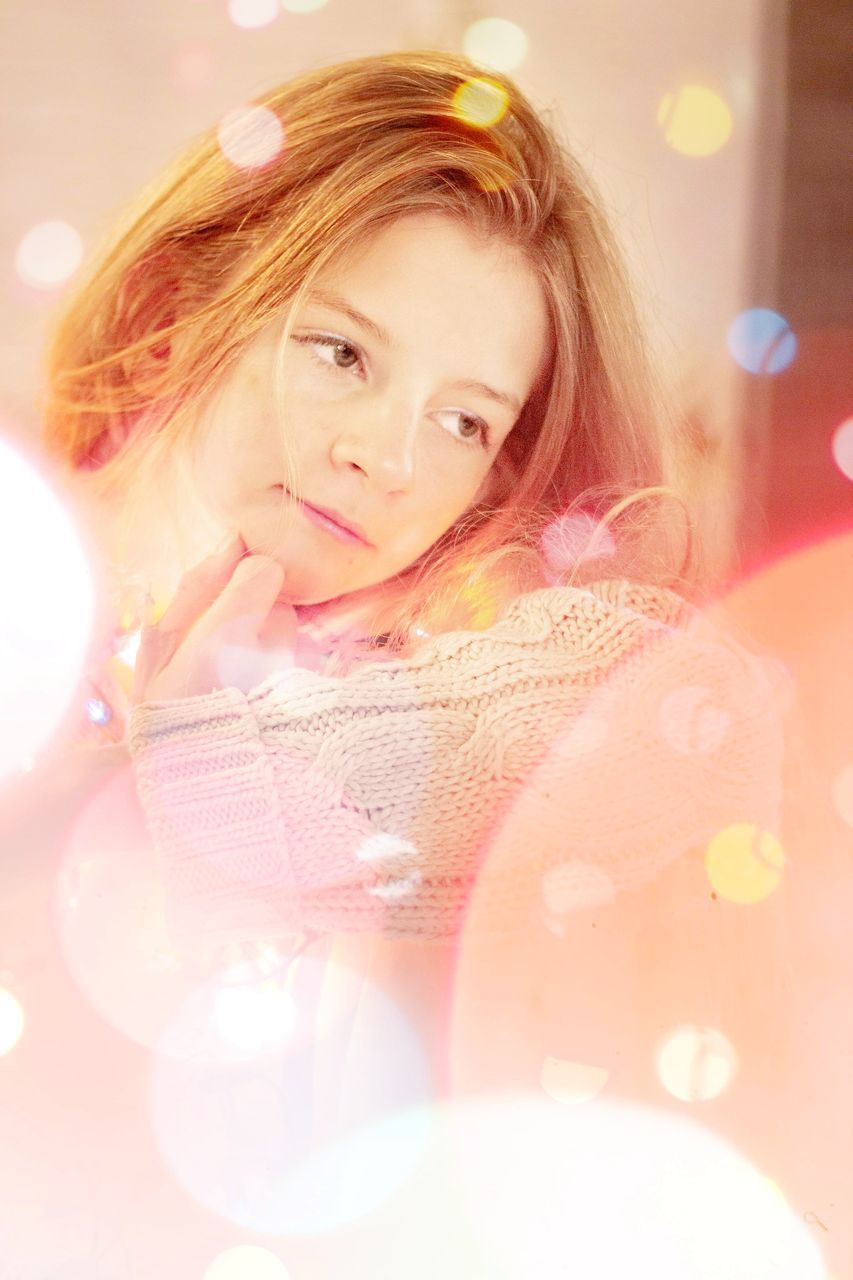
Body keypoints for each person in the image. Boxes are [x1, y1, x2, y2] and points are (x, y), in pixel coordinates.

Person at [35, 49, 785, 1083]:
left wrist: (220, 770)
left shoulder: (397, 699)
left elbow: (702, 717)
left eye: (461, 420)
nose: (387, 460)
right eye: (342, 353)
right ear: (171, 319)